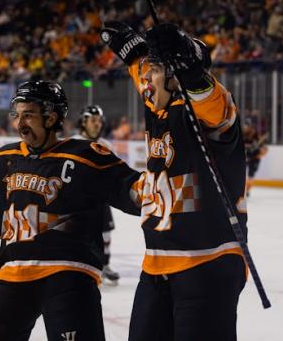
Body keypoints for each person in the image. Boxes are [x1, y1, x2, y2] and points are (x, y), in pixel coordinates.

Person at [0, 80, 142, 341]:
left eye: (28, 115)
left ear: (51, 117)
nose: (20, 124)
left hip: (69, 273)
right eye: (17, 115)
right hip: (13, 273)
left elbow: (138, 193)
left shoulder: (86, 157)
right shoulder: (4, 159)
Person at [101, 22, 248, 341]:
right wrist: (136, 52)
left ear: (176, 76)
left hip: (208, 264)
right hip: (156, 267)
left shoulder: (207, 113)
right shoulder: (159, 105)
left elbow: (209, 99)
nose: (144, 79)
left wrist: (192, 71)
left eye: (152, 71)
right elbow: (149, 76)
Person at [73, 104, 120, 285]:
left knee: (106, 234)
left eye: (99, 121)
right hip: (79, 202)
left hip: (101, 200)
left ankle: (104, 266)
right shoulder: (73, 143)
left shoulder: (106, 145)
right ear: (83, 122)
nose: (97, 124)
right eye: (93, 120)